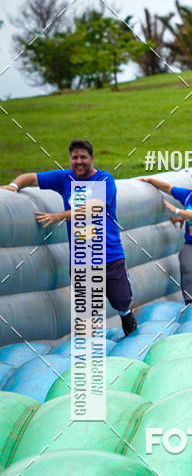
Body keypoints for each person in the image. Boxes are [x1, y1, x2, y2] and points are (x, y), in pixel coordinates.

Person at [1, 139, 138, 335]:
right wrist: (14, 186)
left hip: (109, 255)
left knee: (121, 300)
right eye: (75, 158)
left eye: (83, 157)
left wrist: (58, 217)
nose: (79, 161)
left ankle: (126, 314)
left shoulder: (104, 179)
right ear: (70, 159)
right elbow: (30, 178)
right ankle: (89, 339)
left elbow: (93, 208)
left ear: (92, 158)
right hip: (81, 258)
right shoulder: (65, 178)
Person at [138, 169, 192, 302]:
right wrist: (150, 180)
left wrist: (177, 211)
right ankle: (189, 303)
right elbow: (168, 188)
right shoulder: (188, 196)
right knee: (188, 269)